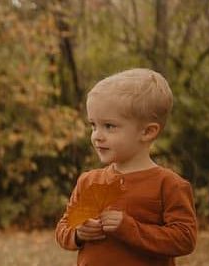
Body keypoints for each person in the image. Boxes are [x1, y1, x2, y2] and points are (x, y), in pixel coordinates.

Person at [55, 68, 197, 265]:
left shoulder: (169, 184)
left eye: (109, 126)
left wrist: (128, 228)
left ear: (147, 132)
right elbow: (63, 228)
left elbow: (185, 239)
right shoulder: (89, 181)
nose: (97, 135)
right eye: (93, 125)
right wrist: (78, 233)